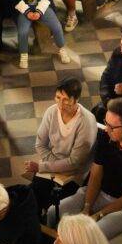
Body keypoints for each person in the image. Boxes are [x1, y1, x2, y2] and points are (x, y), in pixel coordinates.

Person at [54, 97, 122, 237]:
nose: (106, 129)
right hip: (99, 192)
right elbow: (95, 175)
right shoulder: (106, 136)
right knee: (54, 212)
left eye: (112, 127)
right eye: (106, 123)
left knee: (91, 234)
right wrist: (87, 207)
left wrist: (99, 214)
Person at [25, 78, 97, 218]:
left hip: (73, 175)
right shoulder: (51, 112)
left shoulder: (86, 122)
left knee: (52, 205)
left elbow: (74, 163)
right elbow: (40, 144)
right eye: (58, 97)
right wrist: (52, 165)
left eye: (66, 100)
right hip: (52, 167)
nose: (60, 104)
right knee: (32, 196)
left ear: (76, 99)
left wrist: (43, 167)